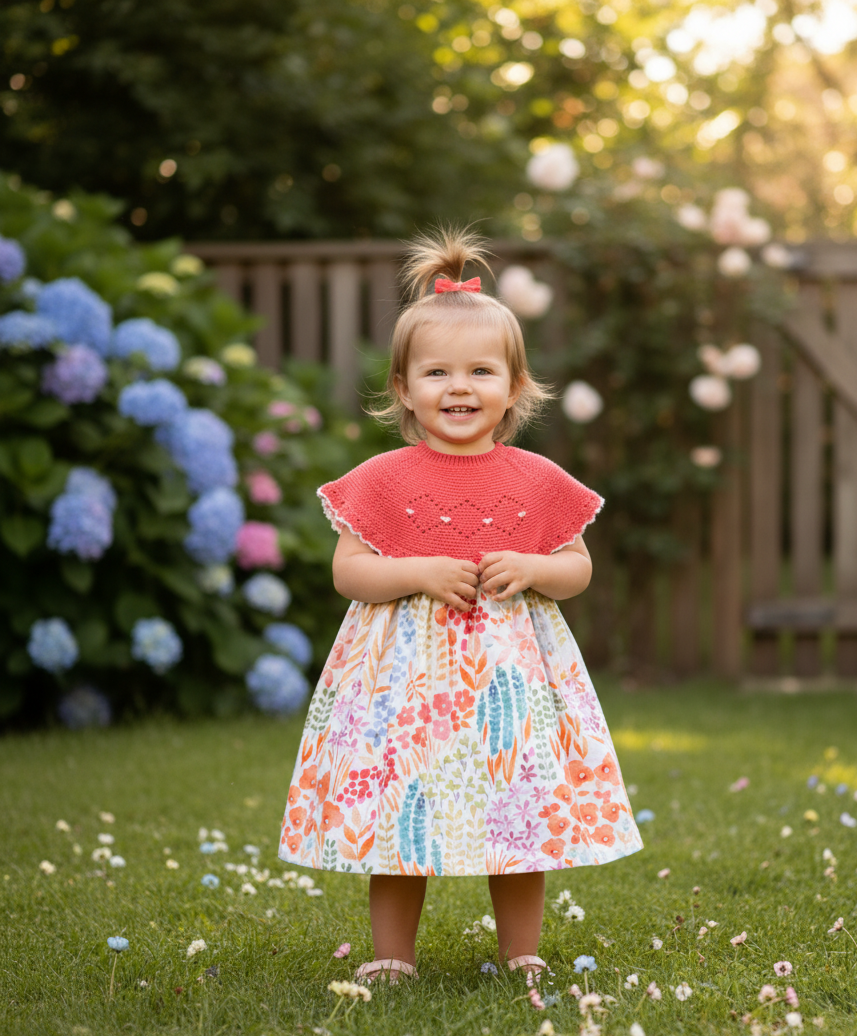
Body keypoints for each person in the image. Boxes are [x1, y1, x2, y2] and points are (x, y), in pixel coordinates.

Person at [278, 227, 643, 984]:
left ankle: (522, 953)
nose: (458, 387)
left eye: (480, 371)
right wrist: (412, 570)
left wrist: (536, 563)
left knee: (518, 814)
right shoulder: (382, 478)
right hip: (402, 685)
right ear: (404, 388)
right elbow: (349, 572)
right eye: (436, 371)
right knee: (396, 812)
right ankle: (390, 958)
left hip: (508, 686)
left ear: (514, 387)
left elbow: (575, 568)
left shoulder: (537, 478)